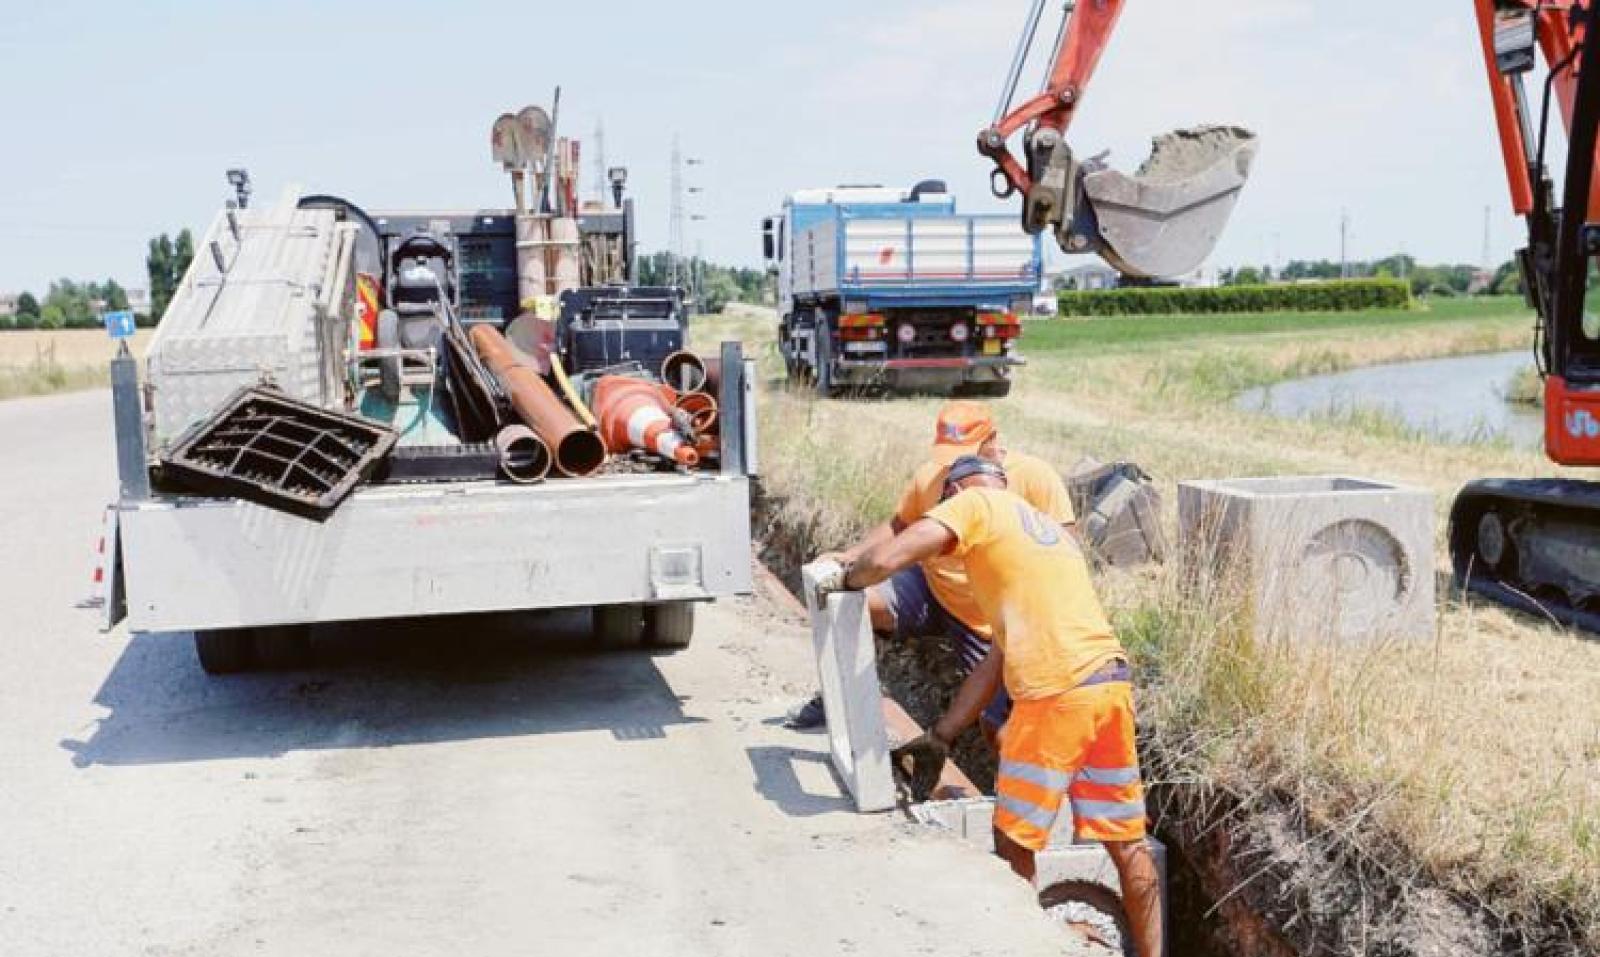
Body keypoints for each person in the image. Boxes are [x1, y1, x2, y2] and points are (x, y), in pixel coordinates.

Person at [814, 456, 1163, 957]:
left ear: (954, 493)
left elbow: (889, 559)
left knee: (1013, 841)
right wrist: (942, 735)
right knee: (1126, 843)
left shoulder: (974, 504)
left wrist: (846, 574)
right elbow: (996, 661)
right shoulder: (1041, 534)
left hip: (1054, 694)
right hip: (1106, 684)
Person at [786, 400, 1075, 731]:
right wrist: (853, 556)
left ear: (991, 439)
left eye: (963, 451)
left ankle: (1008, 780)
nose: (952, 464)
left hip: (990, 615)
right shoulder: (931, 477)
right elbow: (900, 524)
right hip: (932, 589)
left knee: (996, 724)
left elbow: (1066, 548)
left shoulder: (1035, 477)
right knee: (857, 604)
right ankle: (839, 695)